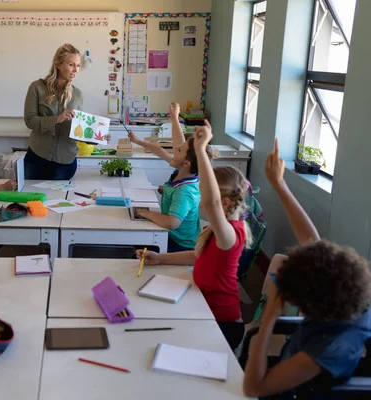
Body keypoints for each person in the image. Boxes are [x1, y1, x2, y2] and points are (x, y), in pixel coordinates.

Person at [242, 139, 371, 398]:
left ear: (310, 307)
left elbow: (254, 388)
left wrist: (268, 320)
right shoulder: (349, 295)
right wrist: (279, 183)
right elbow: (312, 241)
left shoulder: (331, 348)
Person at [136, 120, 252, 350]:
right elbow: (198, 255)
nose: (201, 195)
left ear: (224, 202)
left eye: (204, 191)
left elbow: (211, 202)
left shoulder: (229, 234)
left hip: (221, 323)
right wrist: (159, 258)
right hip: (200, 305)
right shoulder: (218, 231)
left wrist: (200, 149)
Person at [129, 102, 213, 252]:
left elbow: (172, 223)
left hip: (180, 245)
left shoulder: (184, 191)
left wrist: (148, 214)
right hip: (173, 236)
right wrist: (174, 118)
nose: (175, 149)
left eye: (179, 150)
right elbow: (161, 148)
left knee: (137, 241)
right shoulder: (184, 171)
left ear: (186, 163)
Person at [23, 43, 84, 180]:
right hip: (37, 159)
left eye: (78, 65)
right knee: (31, 200)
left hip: (65, 162)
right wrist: (57, 119)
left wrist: (96, 136)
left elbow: (78, 128)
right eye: (71, 65)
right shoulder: (37, 87)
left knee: (57, 201)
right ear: (58, 64)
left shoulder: (78, 95)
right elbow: (29, 120)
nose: (75, 70)